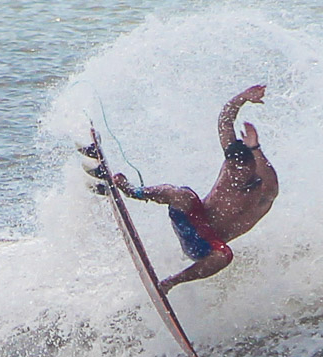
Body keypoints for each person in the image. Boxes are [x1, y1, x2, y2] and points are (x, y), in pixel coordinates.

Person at [112, 84, 278, 293]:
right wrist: (242, 98)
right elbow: (225, 120)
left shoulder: (263, 190)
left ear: (252, 167)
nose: (233, 176)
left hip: (205, 245)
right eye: (231, 170)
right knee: (183, 195)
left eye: (240, 173)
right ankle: (132, 191)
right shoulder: (231, 157)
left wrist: (255, 147)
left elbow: (270, 183)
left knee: (224, 255)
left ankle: (170, 283)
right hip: (191, 220)